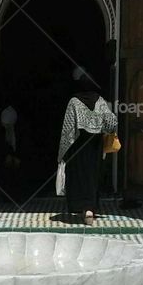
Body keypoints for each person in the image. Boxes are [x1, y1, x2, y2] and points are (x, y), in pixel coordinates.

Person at [56, 68, 117, 226]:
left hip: (77, 148)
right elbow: (112, 122)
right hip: (94, 148)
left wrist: (63, 151)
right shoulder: (100, 101)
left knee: (78, 178)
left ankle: (81, 207)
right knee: (92, 177)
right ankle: (90, 210)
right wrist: (102, 129)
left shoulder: (74, 102)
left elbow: (68, 129)